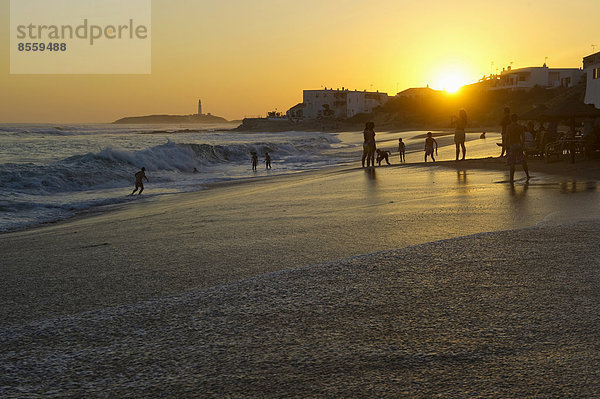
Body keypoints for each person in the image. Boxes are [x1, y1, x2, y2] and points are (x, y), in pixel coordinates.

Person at [505, 114, 530, 183]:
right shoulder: (520, 127)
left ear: (511, 119)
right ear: (517, 119)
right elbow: (523, 136)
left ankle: (511, 178)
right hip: (518, 144)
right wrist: (522, 144)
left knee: (512, 162)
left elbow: (507, 137)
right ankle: (527, 175)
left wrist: (506, 146)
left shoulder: (508, 127)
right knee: (522, 160)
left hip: (512, 145)